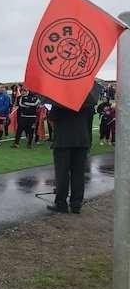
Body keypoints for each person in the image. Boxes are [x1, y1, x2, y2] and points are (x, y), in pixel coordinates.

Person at [47, 86, 98, 214]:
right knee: (78, 174)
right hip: (82, 140)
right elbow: (89, 120)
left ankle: (61, 204)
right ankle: (76, 204)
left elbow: (52, 118)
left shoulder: (59, 100)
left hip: (63, 141)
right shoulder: (88, 100)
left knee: (62, 174)